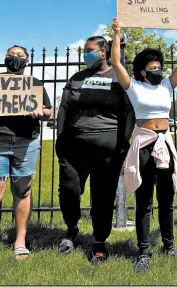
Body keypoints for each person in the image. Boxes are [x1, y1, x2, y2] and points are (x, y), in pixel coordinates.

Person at [111, 17, 177, 273]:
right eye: (153, 66)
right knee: (144, 199)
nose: (158, 69)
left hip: (165, 144)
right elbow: (116, 62)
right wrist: (117, 34)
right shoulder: (133, 86)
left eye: (160, 65)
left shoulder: (167, 86)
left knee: (167, 198)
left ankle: (169, 246)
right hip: (144, 145)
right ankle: (144, 251)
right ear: (143, 71)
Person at [0, 45, 52, 272]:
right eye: (11, 55)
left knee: (23, 191)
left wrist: (39, 111)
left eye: (19, 56)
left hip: (26, 142)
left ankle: (20, 241)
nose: (14, 59)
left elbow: (48, 111)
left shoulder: (34, 84)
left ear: (27, 61)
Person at [56, 36, 135, 264]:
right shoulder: (77, 78)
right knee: (69, 189)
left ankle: (100, 241)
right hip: (74, 146)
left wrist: (124, 142)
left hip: (108, 149)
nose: (86, 54)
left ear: (103, 52)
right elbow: (64, 108)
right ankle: (72, 229)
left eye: (90, 50)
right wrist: (60, 139)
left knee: (103, 196)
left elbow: (130, 112)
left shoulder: (118, 77)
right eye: (84, 50)